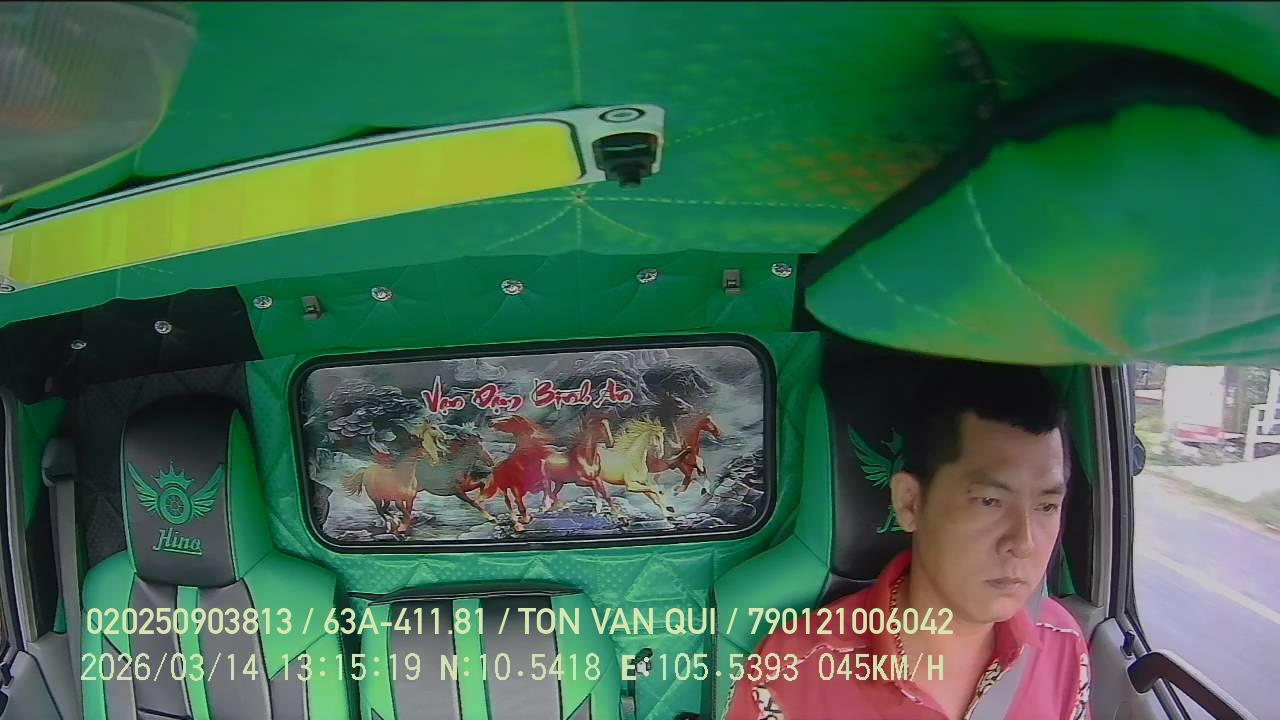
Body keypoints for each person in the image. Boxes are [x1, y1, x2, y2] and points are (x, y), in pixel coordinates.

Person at [726, 362, 1091, 719]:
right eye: (989, 502)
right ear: (910, 503)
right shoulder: (791, 678)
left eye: (1046, 506)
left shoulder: (1063, 645)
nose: (1023, 542)